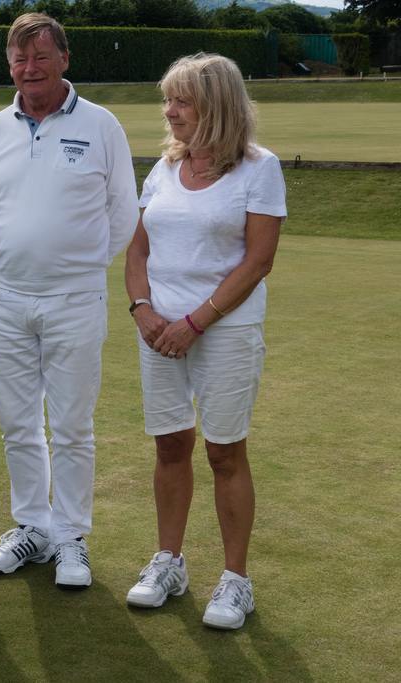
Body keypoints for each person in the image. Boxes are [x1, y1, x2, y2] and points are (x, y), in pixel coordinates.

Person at [123, 53, 285, 630]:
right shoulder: (164, 169)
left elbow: (258, 260)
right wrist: (143, 311)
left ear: (216, 105)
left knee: (223, 452)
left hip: (223, 332)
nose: (169, 112)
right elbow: (138, 250)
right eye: (168, 100)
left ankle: (236, 580)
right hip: (158, 331)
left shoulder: (258, 169)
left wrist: (193, 323)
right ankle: (170, 562)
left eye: (182, 101)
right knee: (170, 446)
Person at [0, 13, 138, 586]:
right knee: (17, 424)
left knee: (71, 426)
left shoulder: (101, 125)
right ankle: (32, 529)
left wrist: (81, 266)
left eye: (41, 57)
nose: (30, 69)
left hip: (74, 299)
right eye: (19, 59)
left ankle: (70, 536)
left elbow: (123, 212)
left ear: (64, 59)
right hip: (5, 297)